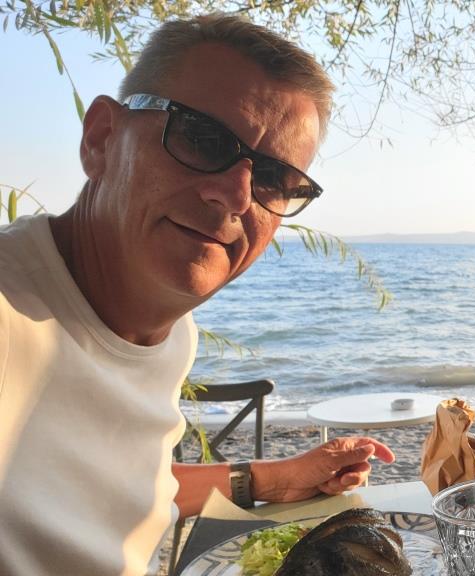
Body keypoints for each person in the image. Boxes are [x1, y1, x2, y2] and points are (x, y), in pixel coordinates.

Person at [0, 14, 396, 575]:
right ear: (102, 139)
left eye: (273, 179)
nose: (236, 195)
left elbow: (129, 485)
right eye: (202, 139)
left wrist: (272, 479)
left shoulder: (170, 333)